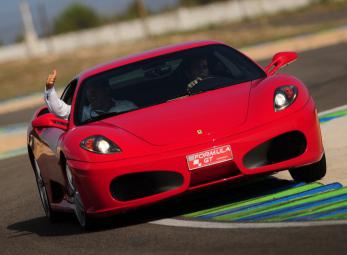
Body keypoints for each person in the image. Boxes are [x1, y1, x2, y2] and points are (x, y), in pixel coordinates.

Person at [44, 70, 137, 121]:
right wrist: (50, 89)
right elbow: (59, 110)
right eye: (89, 91)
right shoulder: (82, 113)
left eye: (96, 89)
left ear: (106, 90)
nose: (91, 94)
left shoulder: (126, 106)